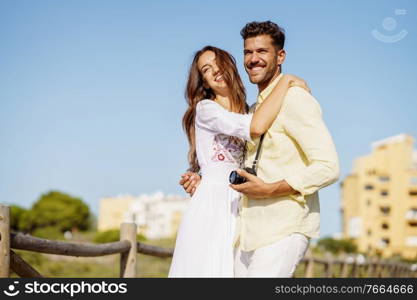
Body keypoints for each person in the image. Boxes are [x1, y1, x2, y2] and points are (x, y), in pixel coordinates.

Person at [180, 21, 340, 277]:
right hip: (246, 232)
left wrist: (271, 189)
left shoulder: (294, 98)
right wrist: (204, 176)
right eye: (248, 52)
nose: (253, 59)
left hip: (282, 227)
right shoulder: (253, 112)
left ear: (281, 56)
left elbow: (329, 167)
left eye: (262, 51)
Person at [168, 45, 309, 277]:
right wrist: (286, 81)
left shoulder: (247, 111)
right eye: (206, 69)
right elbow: (256, 128)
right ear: (203, 81)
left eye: (218, 63)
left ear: (230, 66)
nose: (214, 71)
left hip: (243, 203)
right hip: (214, 204)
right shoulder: (206, 109)